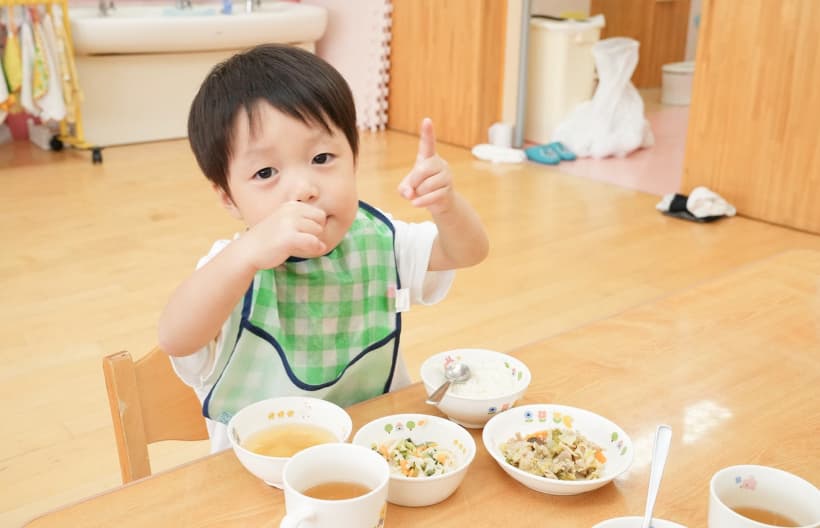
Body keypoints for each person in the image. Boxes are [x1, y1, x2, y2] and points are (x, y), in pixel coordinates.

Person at [158, 43, 488, 451]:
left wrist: (447, 206)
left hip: (377, 458)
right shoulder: (231, 271)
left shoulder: (378, 241)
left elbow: (467, 252)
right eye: (265, 172)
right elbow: (176, 338)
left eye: (322, 157)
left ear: (354, 158)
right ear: (228, 197)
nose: (304, 189)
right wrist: (244, 256)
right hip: (263, 477)